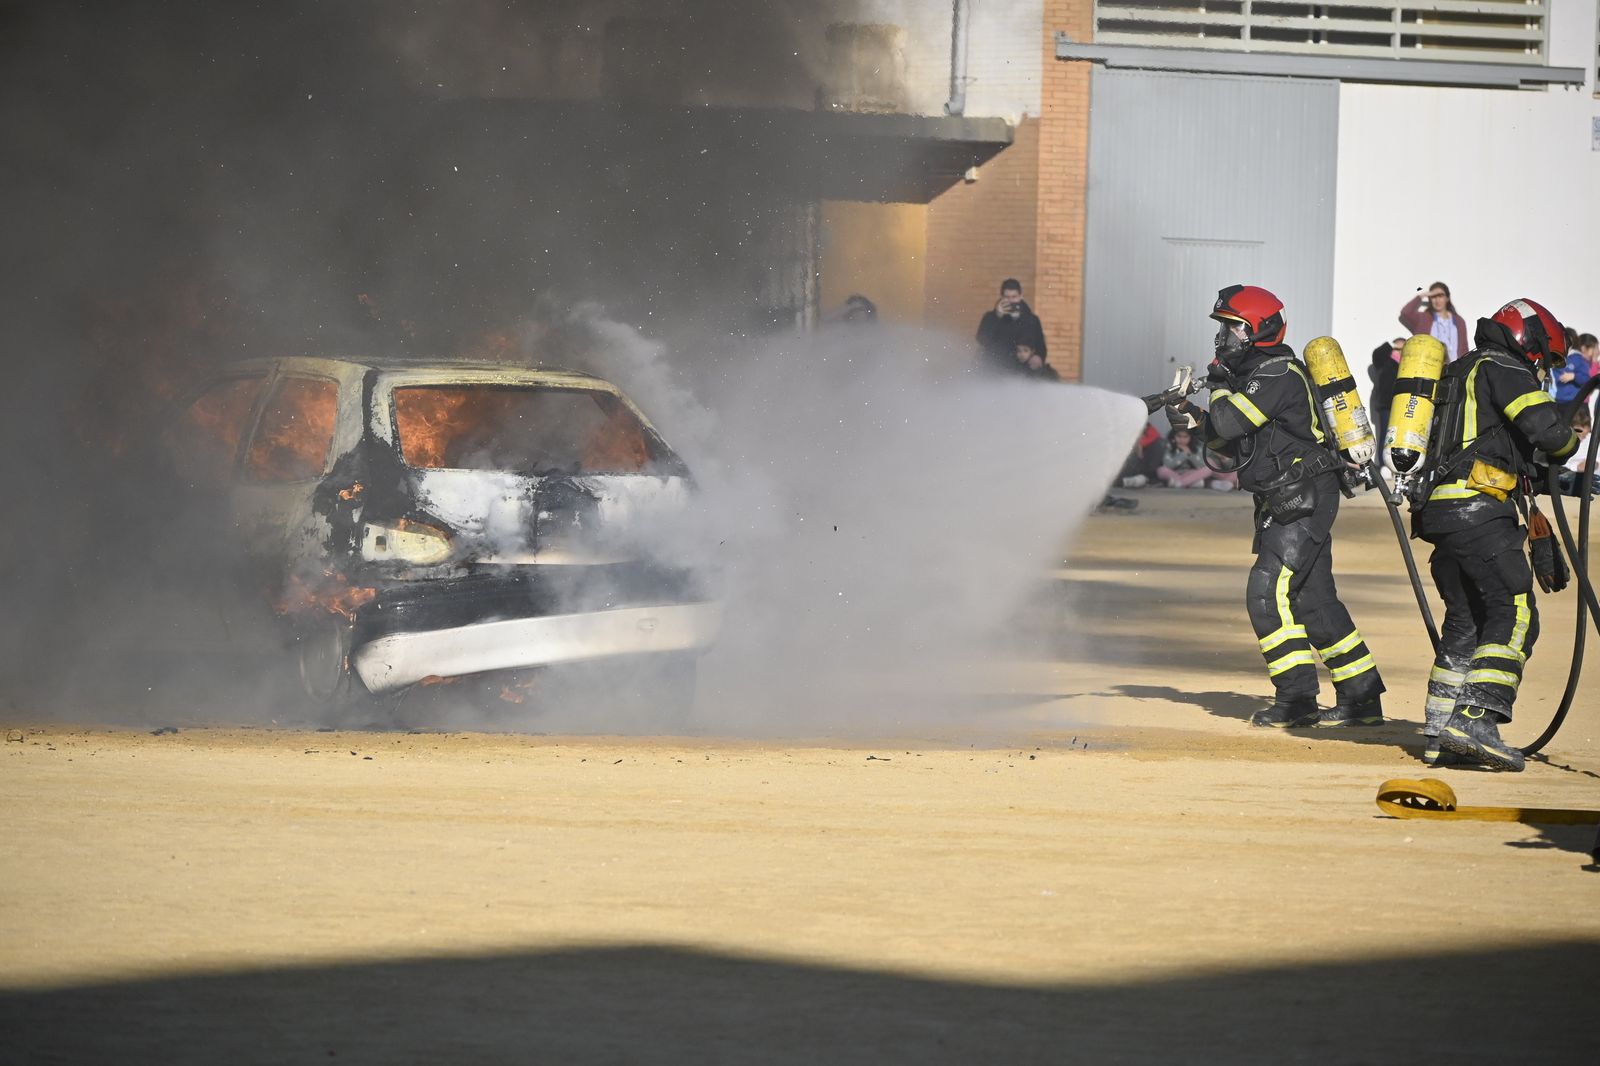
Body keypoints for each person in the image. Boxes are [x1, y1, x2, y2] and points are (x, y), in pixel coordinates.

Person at [1165, 285, 1385, 728]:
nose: (1223, 337)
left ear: (1258, 330)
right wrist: (1194, 417)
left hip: (1301, 496)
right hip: (1288, 497)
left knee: (1266, 593)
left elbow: (1230, 418)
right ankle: (1361, 697)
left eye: (1233, 327)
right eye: (1223, 327)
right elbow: (1230, 443)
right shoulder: (1257, 378)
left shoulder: (1277, 374)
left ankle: (1297, 697)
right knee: (1313, 599)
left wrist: (1221, 386)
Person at [1407, 298, 1579, 771]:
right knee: (1516, 611)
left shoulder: (1461, 370)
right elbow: (1550, 433)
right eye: (1545, 357)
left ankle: (1441, 730)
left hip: (1442, 515)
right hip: (1480, 512)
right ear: (1530, 341)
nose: (1544, 367)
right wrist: (1571, 442)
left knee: (1468, 622)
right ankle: (1477, 718)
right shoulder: (1504, 367)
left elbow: (1496, 447)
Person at [975, 278, 1051, 378]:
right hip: (996, 372)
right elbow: (982, 339)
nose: (1011, 301)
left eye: (1014, 297)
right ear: (1002, 297)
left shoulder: (1032, 320)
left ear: (1020, 296)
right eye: (1007, 297)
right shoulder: (990, 317)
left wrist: (1038, 356)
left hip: (1025, 373)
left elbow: (1040, 345)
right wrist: (997, 316)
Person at [1399, 282, 1469, 362]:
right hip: (1428, 368)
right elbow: (1405, 312)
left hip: (1454, 370)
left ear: (1447, 298)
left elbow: (1464, 349)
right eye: (1433, 297)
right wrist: (1423, 295)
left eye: (1440, 296)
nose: (1437, 300)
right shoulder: (1423, 318)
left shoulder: (1459, 321)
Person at [1368, 338, 1404, 452]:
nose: (1400, 351)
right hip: (1386, 404)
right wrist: (1391, 346)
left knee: (1399, 437)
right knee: (1385, 436)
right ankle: (1382, 465)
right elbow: (1377, 353)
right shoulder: (1385, 361)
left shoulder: (1406, 364)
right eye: (1398, 349)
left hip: (1402, 406)